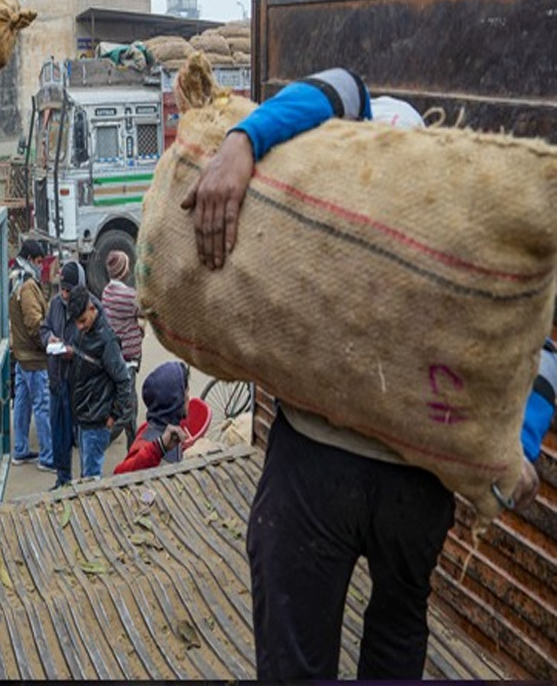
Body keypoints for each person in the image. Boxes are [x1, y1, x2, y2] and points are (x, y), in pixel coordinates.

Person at [182, 67, 554, 679]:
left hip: (318, 466)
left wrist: (242, 142)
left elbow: (336, 88)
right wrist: (525, 437)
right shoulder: (461, 222)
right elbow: (536, 338)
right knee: (396, 632)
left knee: (300, 648)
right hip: (414, 483)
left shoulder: (350, 156)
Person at [66, 284, 133, 479]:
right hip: (84, 416)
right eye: (76, 322)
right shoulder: (86, 331)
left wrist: (114, 415)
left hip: (97, 421)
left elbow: (124, 381)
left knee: (91, 477)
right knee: (86, 474)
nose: (79, 327)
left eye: (82, 321)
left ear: (92, 309)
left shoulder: (107, 341)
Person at [40, 261, 87, 488]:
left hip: (79, 385)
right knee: (59, 435)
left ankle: (88, 482)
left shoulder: (91, 308)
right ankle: (62, 479)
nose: (65, 294)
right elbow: (44, 327)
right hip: (57, 381)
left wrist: (74, 352)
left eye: (69, 290)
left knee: (84, 437)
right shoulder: (56, 304)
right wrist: (49, 338)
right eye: (62, 289)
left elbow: (98, 349)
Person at [9, 239, 54, 470]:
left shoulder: (14, 277)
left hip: (21, 355)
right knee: (42, 406)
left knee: (23, 405)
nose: (41, 266)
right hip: (34, 358)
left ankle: (20, 450)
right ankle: (48, 457)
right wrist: (49, 342)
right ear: (30, 259)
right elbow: (34, 323)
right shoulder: (27, 286)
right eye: (38, 261)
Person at [114, 361, 190, 475]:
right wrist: (159, 448)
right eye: (186, 391)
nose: (189, 397)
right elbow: (120, 474)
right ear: (177, 400)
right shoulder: (150, 444)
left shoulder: (166, 430)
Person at [101, 250, 144, 448]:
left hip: (118, 357)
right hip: (126, 360)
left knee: (131, 405)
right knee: (126, 410)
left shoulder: (107, 291)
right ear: (124, 271)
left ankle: (133, 446)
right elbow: (147, 308)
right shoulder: (127, 296)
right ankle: (101, 441)